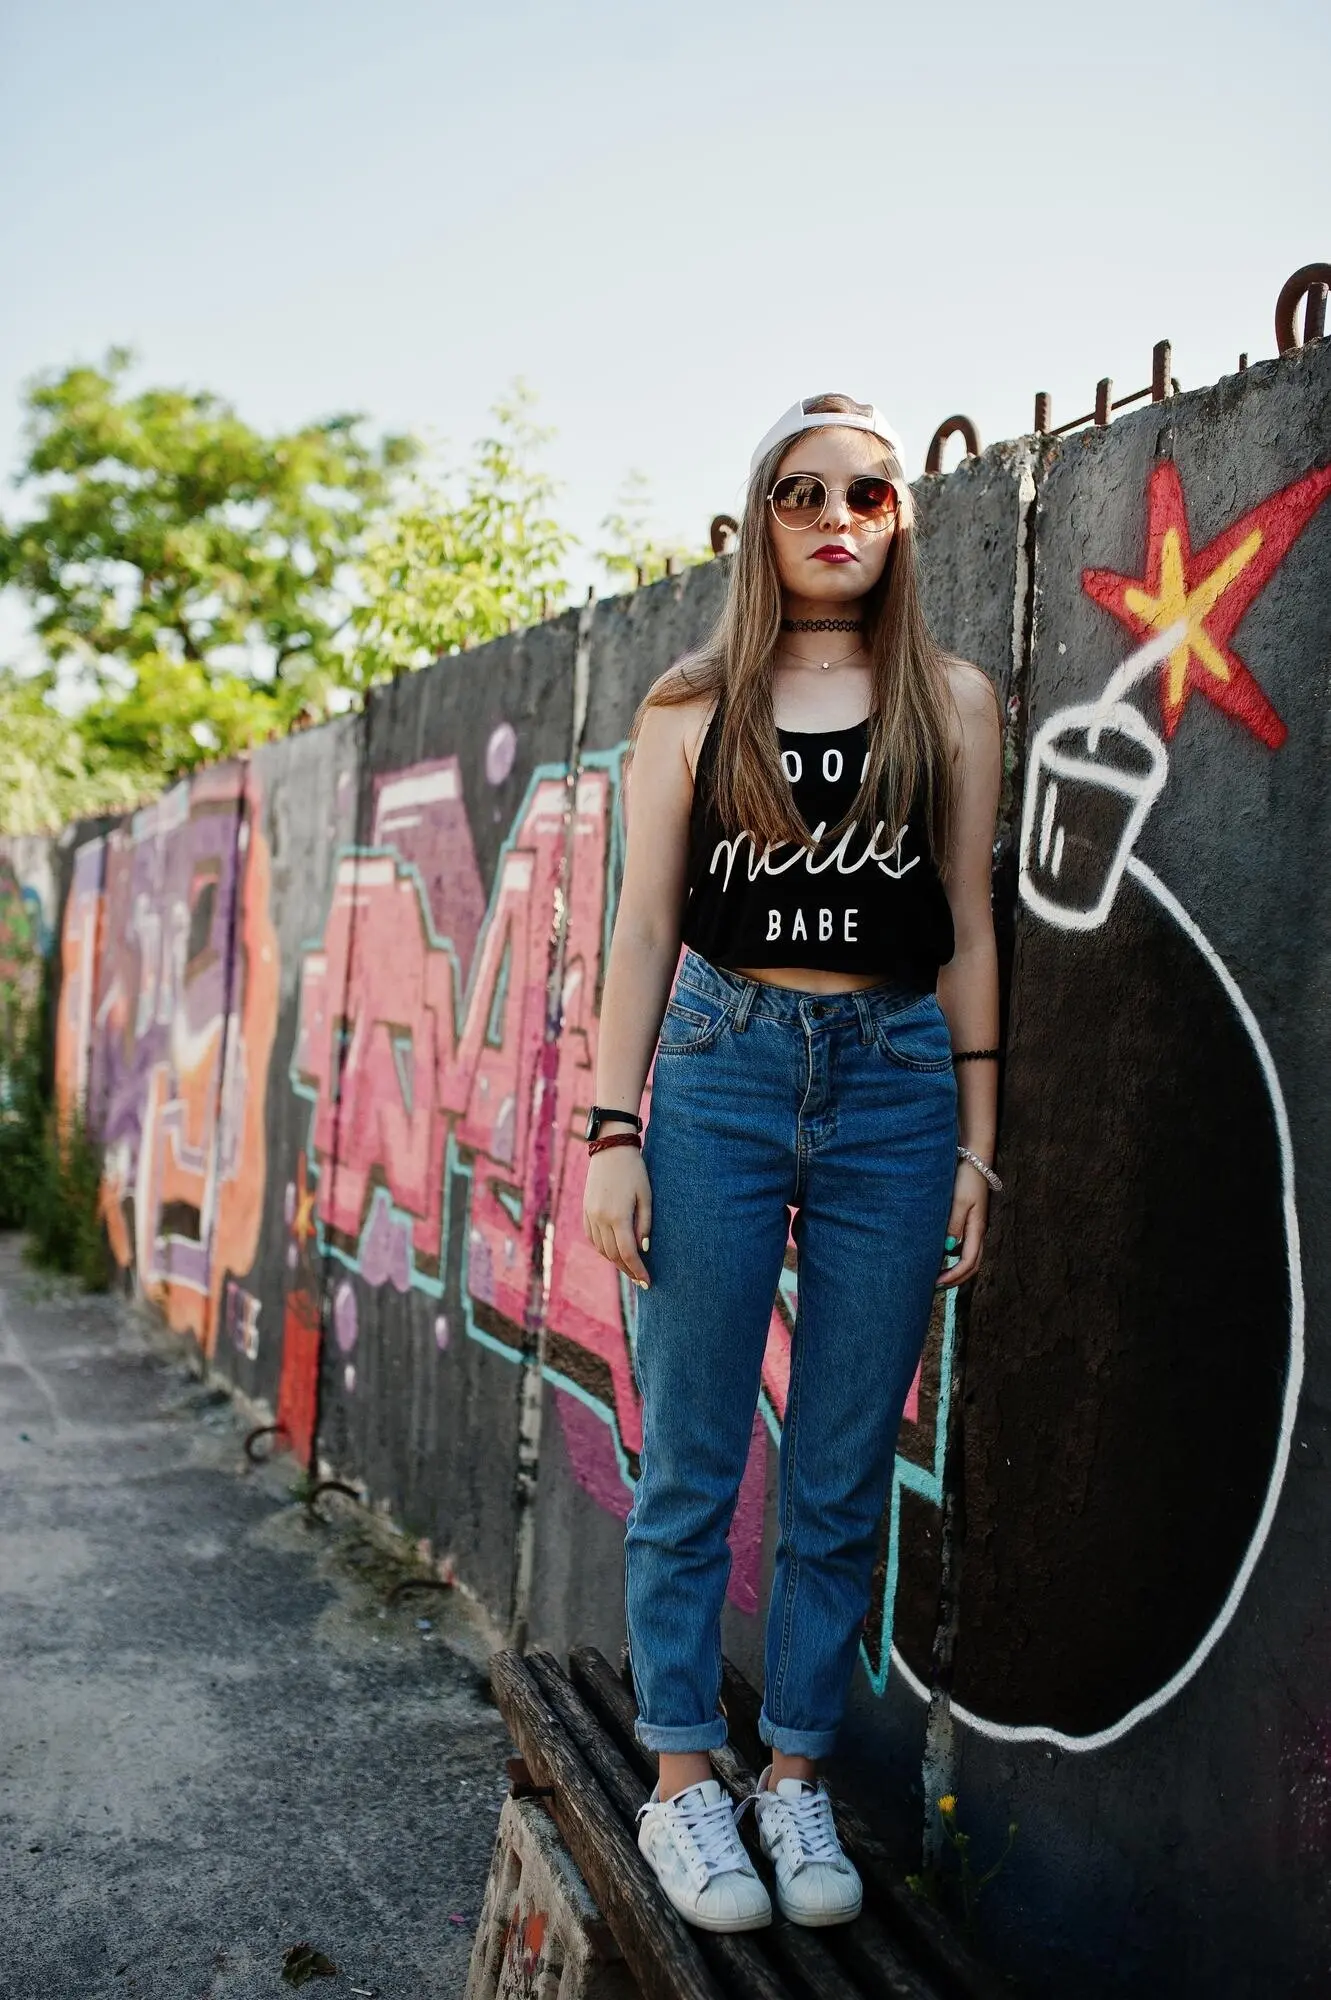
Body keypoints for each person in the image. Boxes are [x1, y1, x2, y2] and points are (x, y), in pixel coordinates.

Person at [582, 394, 1002, 1933]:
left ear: (900, 522)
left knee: (836, 1468)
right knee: (695, 1450)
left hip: (894, 1087)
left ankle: (794, 1775)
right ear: (761, 520)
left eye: (869, 495)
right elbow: (639, 928)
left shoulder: (946, 701)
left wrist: (979, 1140)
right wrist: (610, 1132)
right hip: (718, 1078)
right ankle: (685, 1776)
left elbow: (962, 919)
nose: (838, 516)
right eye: (803, 492)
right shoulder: (694, 708)